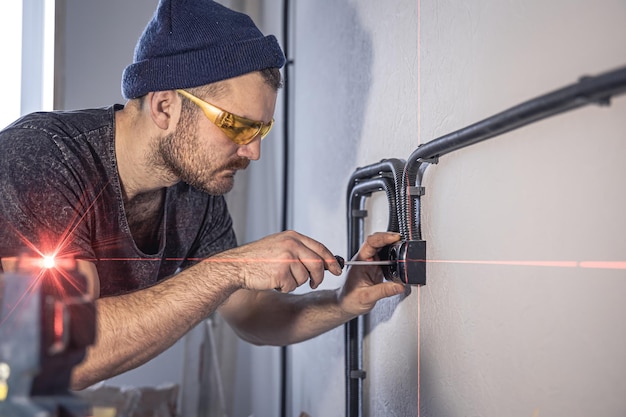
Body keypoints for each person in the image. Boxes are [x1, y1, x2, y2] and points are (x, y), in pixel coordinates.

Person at [0, 0, 405, 390]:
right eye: (237, 127)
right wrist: (227, 269)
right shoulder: (43, 158)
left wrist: (341, 301)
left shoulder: (195, 192)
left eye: (260, 131)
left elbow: (249, 312)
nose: (254, 152)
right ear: (164, 108)